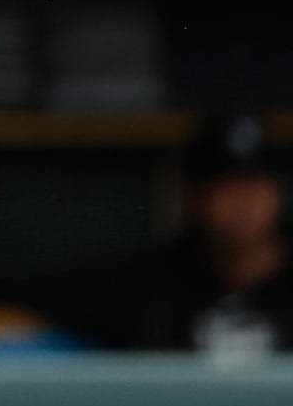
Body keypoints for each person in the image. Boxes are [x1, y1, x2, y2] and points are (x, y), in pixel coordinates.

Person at [33, 113, 293, 352]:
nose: (242, 203)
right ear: (192, 197)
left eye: (252, 185)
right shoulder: (150, 286)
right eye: (224, 188)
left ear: (276, 191)